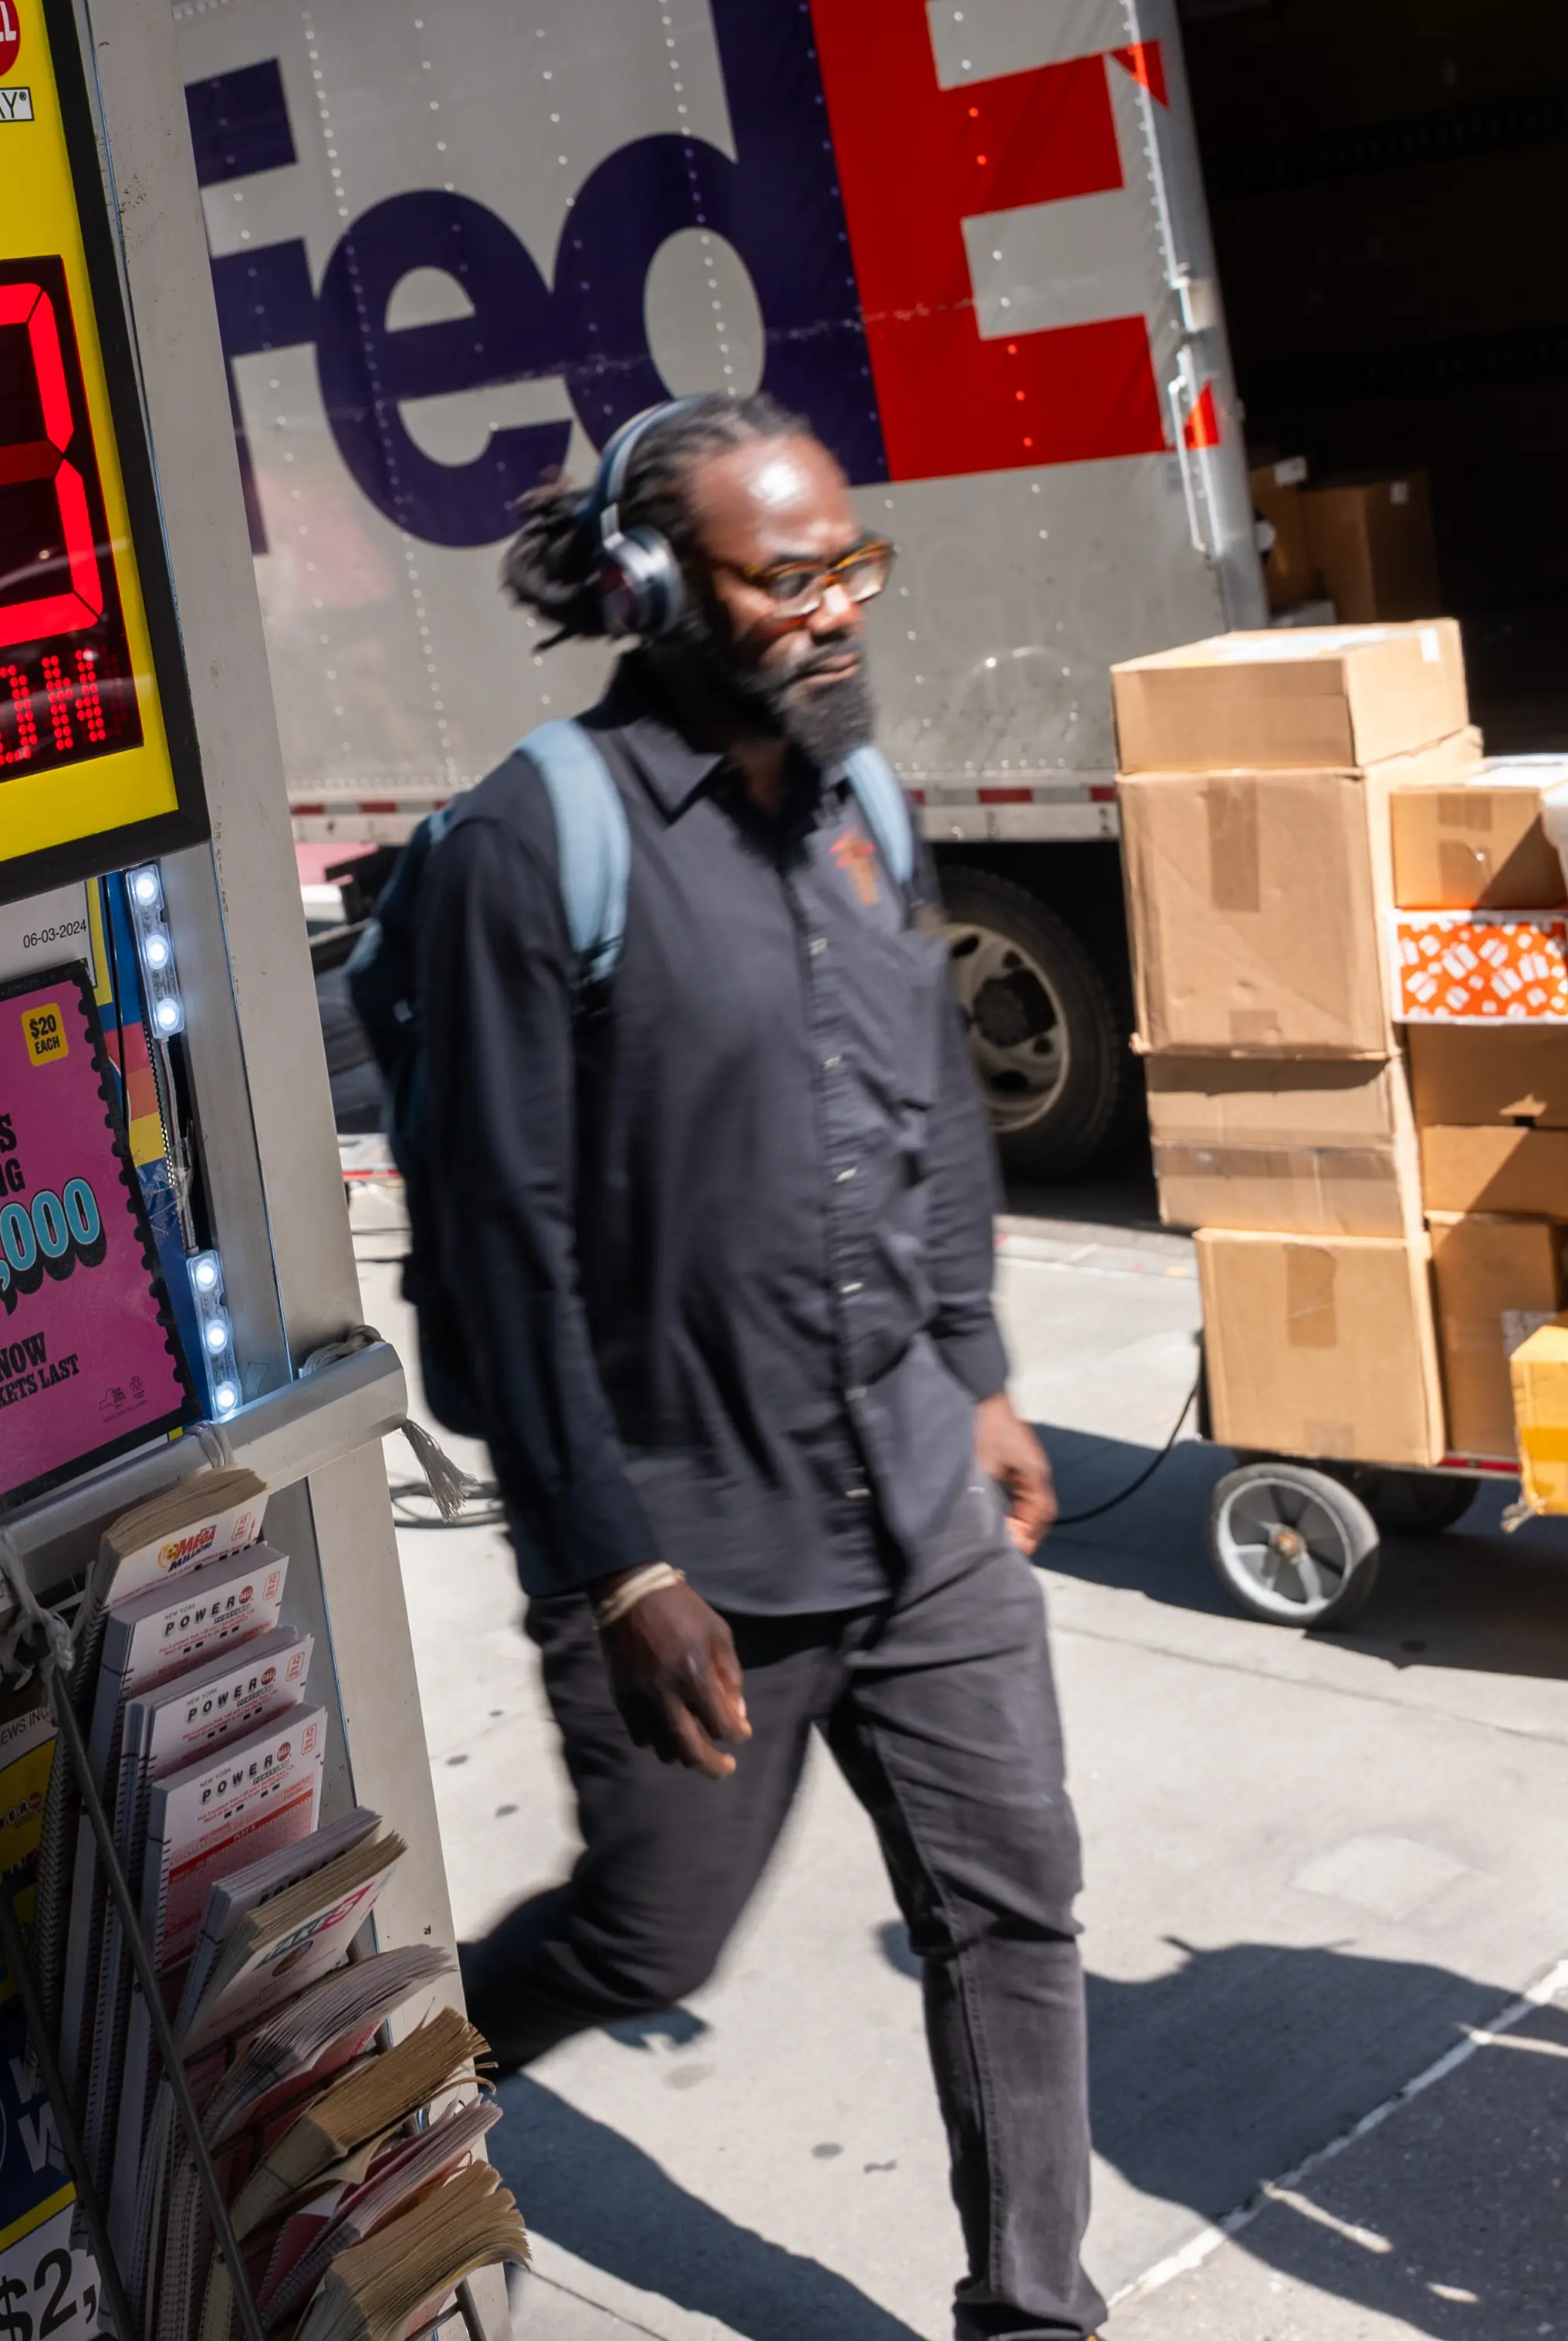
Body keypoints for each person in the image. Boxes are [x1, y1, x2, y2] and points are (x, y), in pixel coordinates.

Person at [416, 392, 1098, 2341]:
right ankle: (384, 2092)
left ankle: (1036, 2312)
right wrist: (617, 1563)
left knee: (1011, 1901)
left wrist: (974, 1362)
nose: (837, 614)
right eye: (789, 579)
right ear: (654, 586)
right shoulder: (532, 844)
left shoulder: (864, 800)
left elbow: (934, 1109)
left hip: (920, 1499)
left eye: (853, 569)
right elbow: (501, 1245)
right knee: (648, 1930)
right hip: (691, 1538)